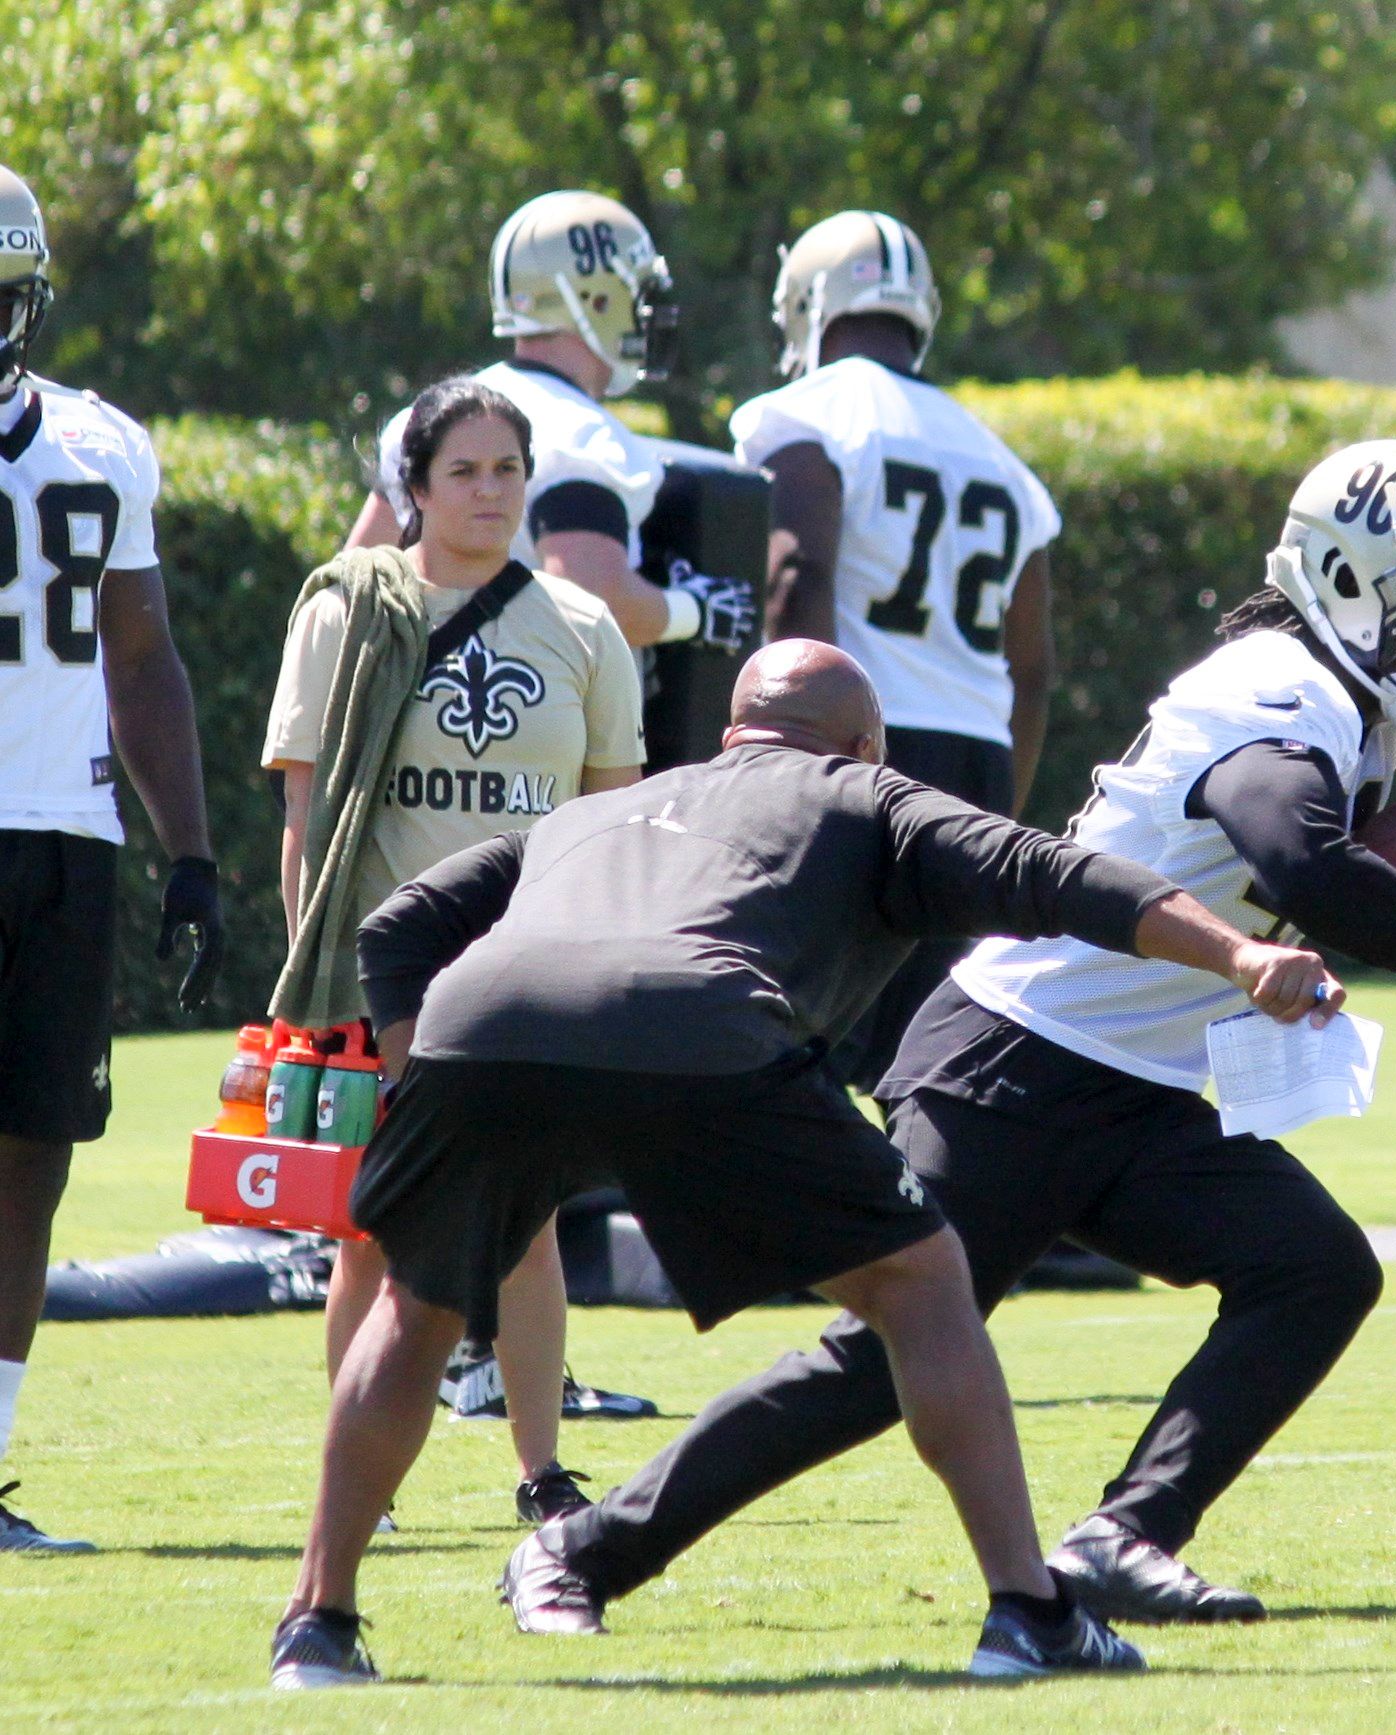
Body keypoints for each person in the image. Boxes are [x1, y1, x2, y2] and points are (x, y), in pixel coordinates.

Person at [501, 442, 1396, 1633]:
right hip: (1010, 1060)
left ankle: (1126, 1534)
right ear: (1348, 586)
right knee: (881, 1361)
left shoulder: (1346, 690)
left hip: (1133, 1085)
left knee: (1314, 1268)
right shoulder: (1275, 686)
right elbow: (1303, 860)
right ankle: (580, 1545)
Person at [267, 638, 1339, 1689]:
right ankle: (1029, 1610)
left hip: (481, 1019)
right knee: (922, 1284)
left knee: (416, 1314)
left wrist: (428, 1076)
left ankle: (316, 1623)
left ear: (729, 734)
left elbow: (400, 922)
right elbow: (1053, 873)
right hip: (698, 1019)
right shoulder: (866, 796)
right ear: (865, 741)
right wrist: (1239, 952)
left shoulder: (591, 813)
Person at [266, 378, 646, 1524]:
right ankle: (362, 1484)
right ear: (414, 488)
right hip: (387, 978)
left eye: (509, 470)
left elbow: (610, 826)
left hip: (527, 971)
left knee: (529, 1230)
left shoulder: (582, 627)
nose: (490, 492)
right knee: (374, 1234)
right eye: (465, 471)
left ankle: (542, 1473)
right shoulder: (342, 611)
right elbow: (306, 827)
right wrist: (318, 992)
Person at [0, 164, 222, 1554]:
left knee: (33, 1156)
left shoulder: (100, 441)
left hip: (64, 838)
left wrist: (189, 850)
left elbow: (141, 658)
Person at [735, 210, 1058, 1093]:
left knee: (794, 1035)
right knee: (928, 1056)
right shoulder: (999, 459)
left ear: (809, 305)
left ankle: (806, 1229)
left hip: (855, 746)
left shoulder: (805, 416)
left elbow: (798, 579)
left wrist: (789, 768)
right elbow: (1030, 673)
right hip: (978, 760)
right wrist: (993, 817)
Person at [346, 190, 756, 656]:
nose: (646, 313)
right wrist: (695, 610)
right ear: (598, 300)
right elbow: (592, 601)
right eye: (637, 293)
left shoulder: (424, 415)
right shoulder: (580, 435)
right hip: (521, 707)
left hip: (420, 702)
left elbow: (355, 586)